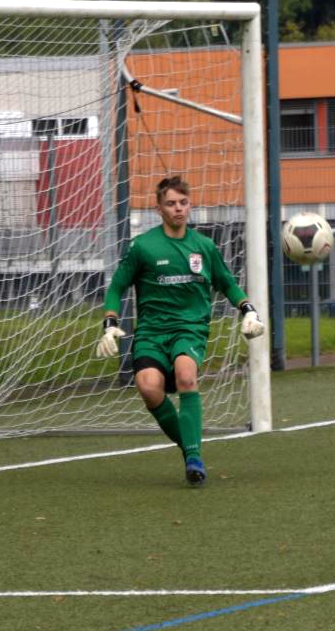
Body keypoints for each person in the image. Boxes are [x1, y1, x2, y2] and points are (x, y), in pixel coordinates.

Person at [96, 175, 265, 487]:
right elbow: (117, 286)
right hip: (151, 334)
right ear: (158, 208)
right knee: (148, 387)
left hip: (189, 329)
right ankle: (189, 448)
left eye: (183, 203)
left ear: (190, 206)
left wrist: (247, 309)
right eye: (171, 203)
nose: (178, 209)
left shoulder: (204, 247)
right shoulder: (143, 246)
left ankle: (193, 457)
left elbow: (226, 282)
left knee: (187, 376)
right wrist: (109, 322)